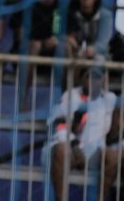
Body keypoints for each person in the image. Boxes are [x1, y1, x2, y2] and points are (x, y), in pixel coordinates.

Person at [46, 65, 123, 201]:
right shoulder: (70, 95)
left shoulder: (110, 99)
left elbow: (114, 129)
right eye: (90, 77)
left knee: (112, 156)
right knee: (61, 150)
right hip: (71, 149)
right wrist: (74, 144)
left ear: (104, 80)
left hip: (95, 151)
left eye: (98, 78)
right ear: (83, 79)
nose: (94, 81)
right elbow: (57, 124)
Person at [10, 0, 63, 109]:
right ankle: (22, 99)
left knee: (66, 48)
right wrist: (38, 42)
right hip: (25, 55)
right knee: (33, 46)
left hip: (52, 59)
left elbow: (67, 35)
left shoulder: (61, 8)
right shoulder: (26, 4)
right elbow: (19, 34)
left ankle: (67, 101)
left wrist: (56, 40)